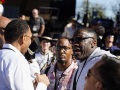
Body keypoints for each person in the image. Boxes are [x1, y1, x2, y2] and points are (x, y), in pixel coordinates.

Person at [0, 19, 49, 90]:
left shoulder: (3, 55)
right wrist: (43, 84)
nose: (31, 42)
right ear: (23, 38)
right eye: (30, 38)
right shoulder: (17, 59)